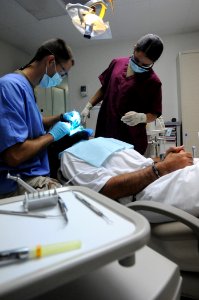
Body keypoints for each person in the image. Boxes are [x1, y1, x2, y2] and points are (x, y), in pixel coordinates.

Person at [0, 38, 80, 199]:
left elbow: (34, 121)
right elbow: (14, 155)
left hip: (32, 172)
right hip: (15, 181)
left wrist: (61, 116)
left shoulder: (28, 88)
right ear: (50, 61)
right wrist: (52, 135)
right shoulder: (9, 86)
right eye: (62, 72)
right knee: (67, 201)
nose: (61, 77)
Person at [59, 137, 197, 219]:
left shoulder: (104, 140)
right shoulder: (69, 156)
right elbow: (106, 189)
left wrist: (164, 160)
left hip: (159, 174)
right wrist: (164, 167)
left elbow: (140, 162)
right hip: (145, 191)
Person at [81, 33, 164, 155]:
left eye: (145, 65)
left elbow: (155, 113)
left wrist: (141, 117)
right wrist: (88, 106)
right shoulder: (117, 63)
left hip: (131, 138)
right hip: (106, 128)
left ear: (153, 62)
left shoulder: (154, 82)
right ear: (135, 48)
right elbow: (104, 89)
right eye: (137, 60)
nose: (139, 65)